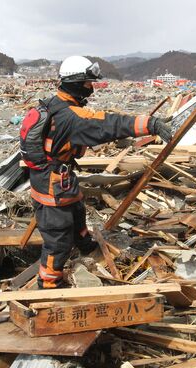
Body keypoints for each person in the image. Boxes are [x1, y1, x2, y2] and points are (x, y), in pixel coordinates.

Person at [30, 55, 171, 289]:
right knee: (58, 238)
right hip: (52, 183)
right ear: (76, 83)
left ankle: (85, 245)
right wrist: (150, 124)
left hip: (56, 176)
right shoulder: (72, 116)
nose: (91, 88)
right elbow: (109, 124)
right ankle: (49, 283)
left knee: (76, 210)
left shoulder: (53, 104)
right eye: (88, 83)